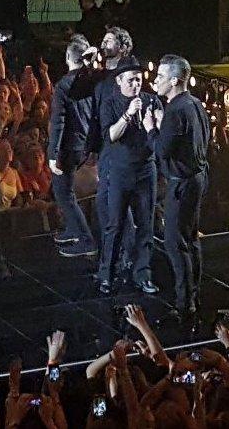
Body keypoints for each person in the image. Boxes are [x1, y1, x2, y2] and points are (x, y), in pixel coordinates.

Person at [145, 54, 210, 320]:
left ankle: (185, 302)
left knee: (174, 241)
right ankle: (194, 293)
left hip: (181, 183)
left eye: (160, 77)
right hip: (197, 178)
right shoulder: (194, 105)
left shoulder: (175, 111)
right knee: (190, 237)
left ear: (174, 80)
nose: (155, 81)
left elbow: (161, 150)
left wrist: (151, 128)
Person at [96, 59, 161, 295]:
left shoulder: (150, 99)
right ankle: (107, 274)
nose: (136, 84)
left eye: (139, 79)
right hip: (120, 171)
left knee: (146, 224)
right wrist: (128, 114)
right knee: (115, 225)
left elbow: (159, 129)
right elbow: (110, 135)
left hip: (145, 170)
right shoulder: (111, 103)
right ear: (120, 81)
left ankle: (143, 274)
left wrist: (154, 121)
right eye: (131, 79)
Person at [49, 35, 99, 257]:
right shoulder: (92, 80)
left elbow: (58, 122)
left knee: (64, 193)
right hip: (85, 145)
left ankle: (85, 240)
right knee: (67, 193)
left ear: (68, 57)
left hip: (69, 147)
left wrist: (53, 153)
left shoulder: (64, 86)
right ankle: (73, 229)